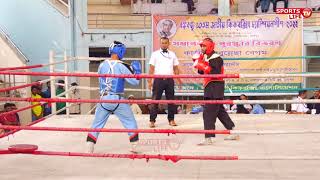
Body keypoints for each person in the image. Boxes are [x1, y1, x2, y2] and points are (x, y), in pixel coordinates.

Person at [86, 41, 142, 153]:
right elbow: (135, 82)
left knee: (97, 123)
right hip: (117, 99)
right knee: (130, 121)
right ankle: (134, 146)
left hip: (103, 99)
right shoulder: (122, 65)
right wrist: (137, 71)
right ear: (120, 52)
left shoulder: (101, 65)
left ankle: (89, 146)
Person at [193, 38, 239, 145]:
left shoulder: (217, 58)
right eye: (201, 46)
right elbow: (201, 72)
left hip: (215, 86)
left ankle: (208, 138)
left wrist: (203, 64)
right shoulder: (205, 57)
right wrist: (199, 63)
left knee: (208, 112)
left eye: (204, 46)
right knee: (219, 111)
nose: (202, 48)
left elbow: (215, 73)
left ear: (209, 46)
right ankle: (232, 130)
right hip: (209, 86)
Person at [148, 36, 182, 128]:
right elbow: (151, 68)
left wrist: (179, 80)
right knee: (155, 100)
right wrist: (149, 81)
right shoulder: (155, 54)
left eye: (165, 43)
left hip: (169, 80)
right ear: (160, 43)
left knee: (171, 101)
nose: (164, 44)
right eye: (162, 43)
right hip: (158, 79)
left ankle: (171, 120)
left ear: (168, 43)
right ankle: (152, 121)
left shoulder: (172, 54)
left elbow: (175, 68)